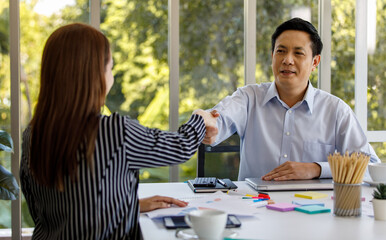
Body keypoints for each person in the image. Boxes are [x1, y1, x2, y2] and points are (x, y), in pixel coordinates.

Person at [20, 23, 218, 239]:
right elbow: (182, 146)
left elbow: (46, 210)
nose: (111, 77)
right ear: (95, 75)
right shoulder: (114, 132)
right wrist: (200, 117)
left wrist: (129, 206)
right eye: (110, 68)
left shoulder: (33, 134)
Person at [204, 18, 380, 181]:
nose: (287, 60)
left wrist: (317, 169)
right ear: (272, 55)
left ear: (315, 62)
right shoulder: (249, 98)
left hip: (314, 210)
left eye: (298, 53)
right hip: (255, 207)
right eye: (281, 51)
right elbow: (218, 121)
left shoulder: (335, 110)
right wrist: (206, 123)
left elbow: (371, 166)